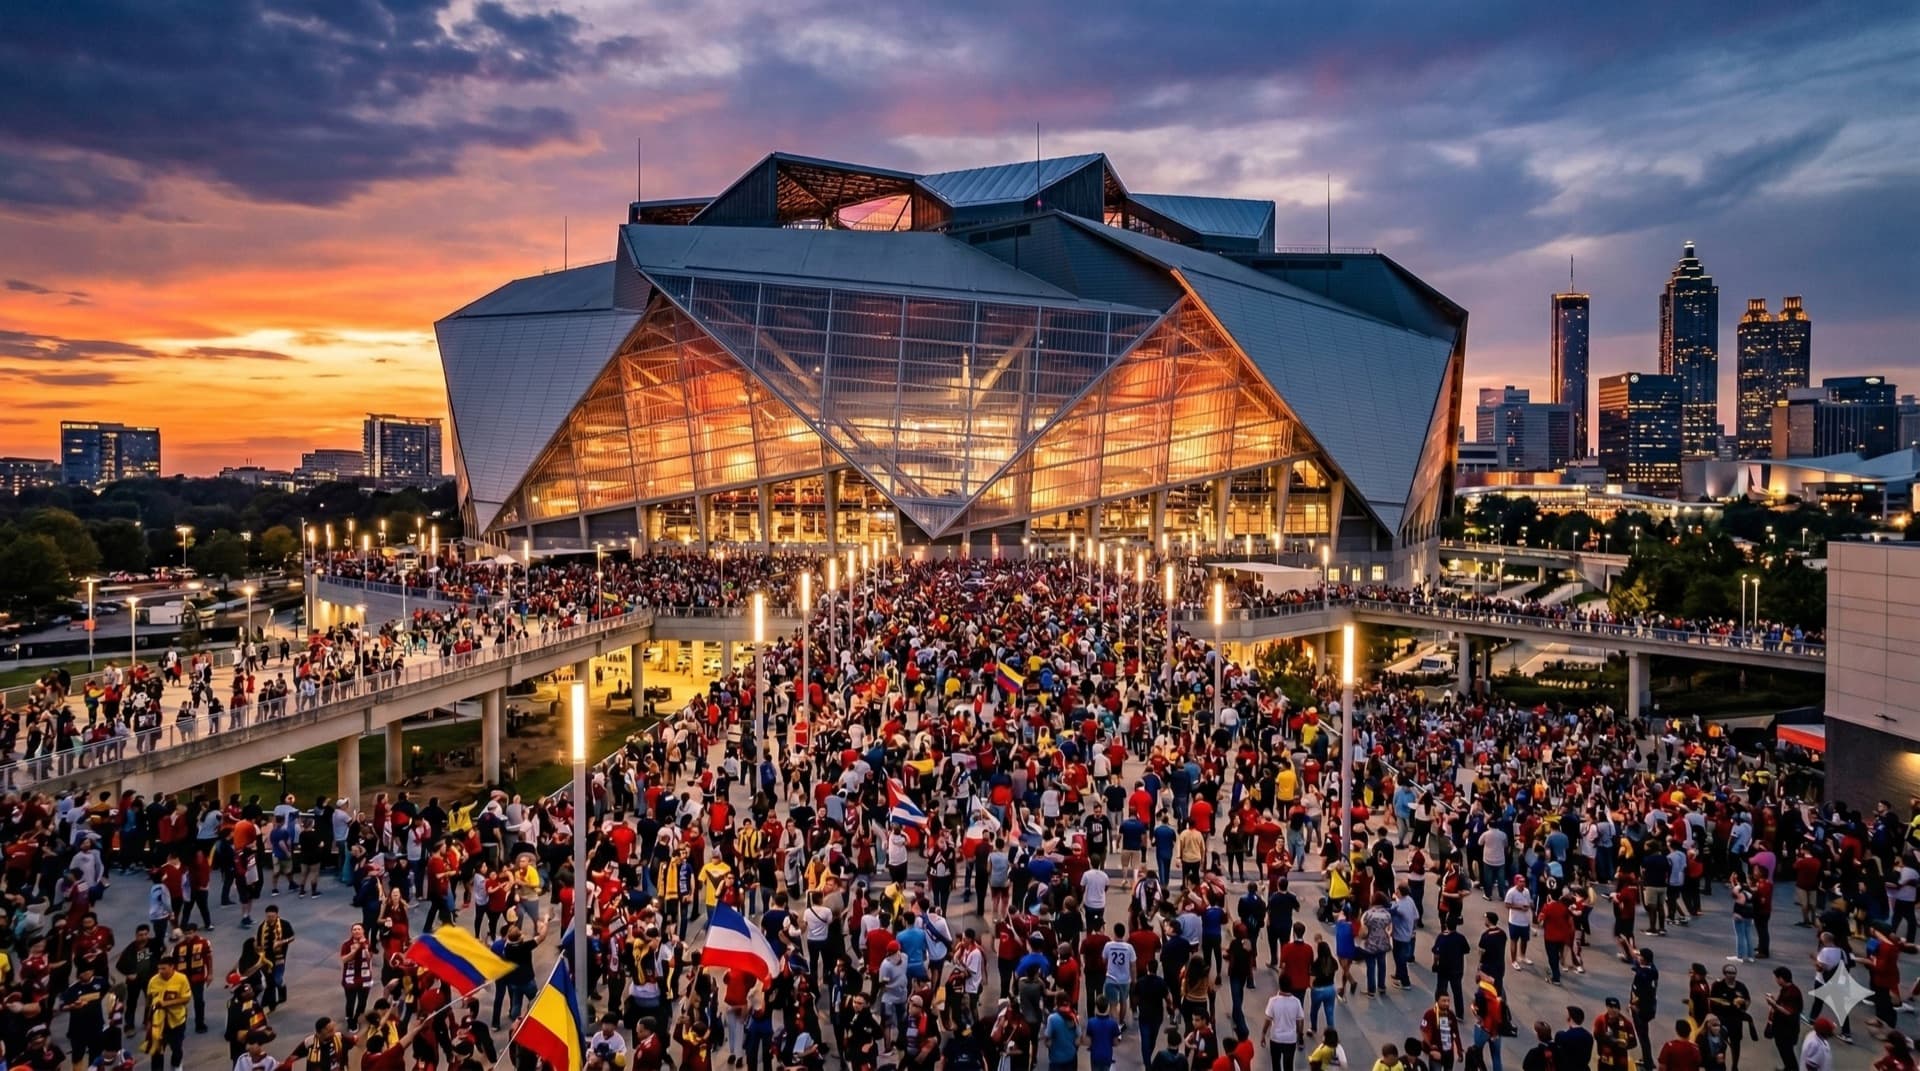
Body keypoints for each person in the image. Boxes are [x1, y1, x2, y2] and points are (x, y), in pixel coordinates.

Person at [1764, 968, 1803, 1071]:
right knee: (1784, 1052)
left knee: (1787, 1053)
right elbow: (1783, 1004)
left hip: (1787, 1031)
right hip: (1782, 1029)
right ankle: (1788, 1068)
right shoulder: (1786, 989)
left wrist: (1773, 1004)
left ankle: (1792, 1068)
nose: (1776, 981)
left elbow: (1788, 1012)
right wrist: (1775, 1001)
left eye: (1776, 978)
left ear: (1781, 978)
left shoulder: (1793, 992)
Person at [1263, 985, 1306, 1071]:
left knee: (1276, 1064)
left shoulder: (1273, 1001)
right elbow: (1300, 1020)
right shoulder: (1296, 1001)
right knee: (1288, 1065)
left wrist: (1263, 1033)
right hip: (1290, 1039)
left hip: (1275, 1038)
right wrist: (1299, 1034)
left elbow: (1268, 1019)